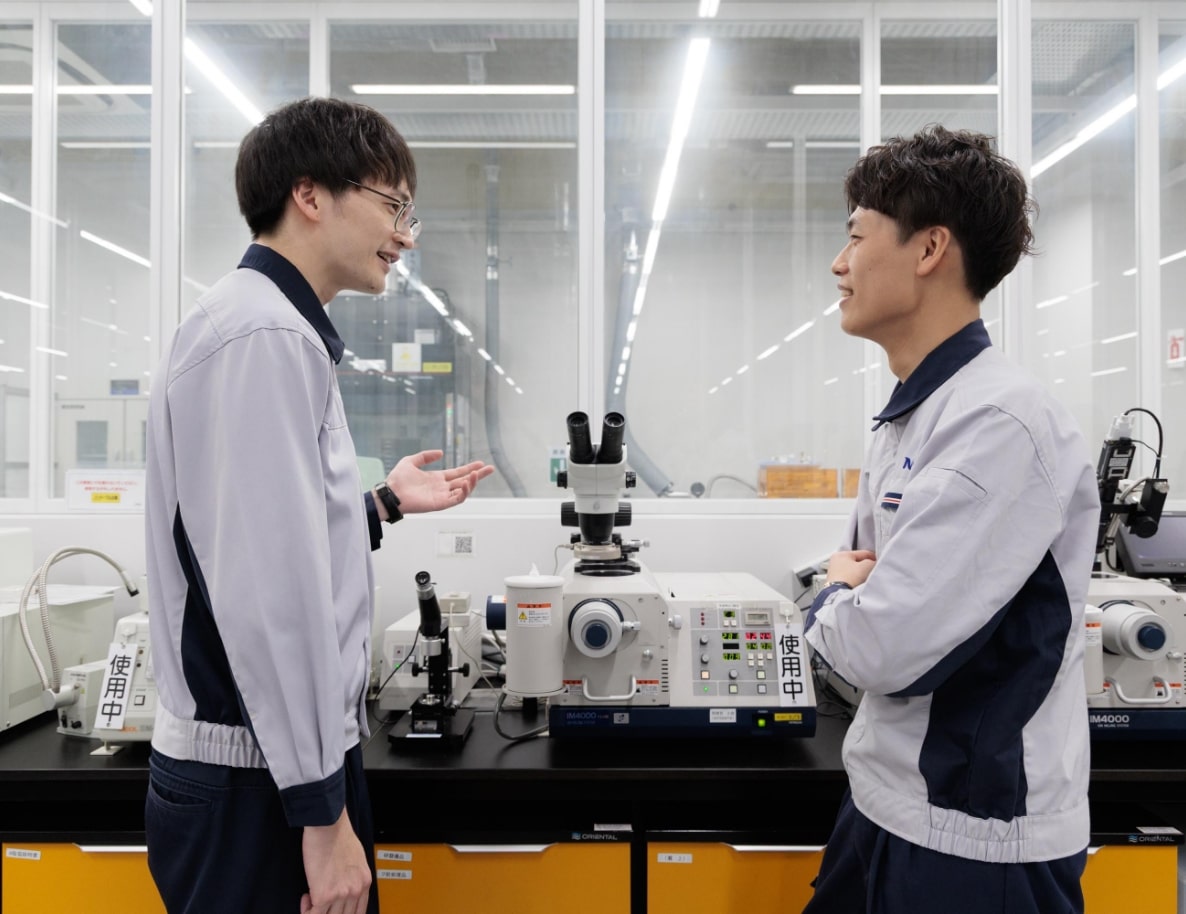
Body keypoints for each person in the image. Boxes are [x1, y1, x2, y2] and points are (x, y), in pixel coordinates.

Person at [143, 96, 494, 914]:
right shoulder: (261, 337)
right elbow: (270, 595)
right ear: (309, 194)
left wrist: (380, 504)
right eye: (393, 205)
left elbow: (270, 536)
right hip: (257, 780)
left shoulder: (269, 328)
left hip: (273, 766)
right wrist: (319, 811)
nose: (405, 236)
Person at [801, 125, 1100, 914]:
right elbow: (877, 611)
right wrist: (851, 598)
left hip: (974, 840)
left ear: (929, 248)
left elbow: (882, 645)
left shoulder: (1000, 422)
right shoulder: (915, 415)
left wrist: (830, 594)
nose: (838, 264)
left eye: (856, 237)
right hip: (887, 801)